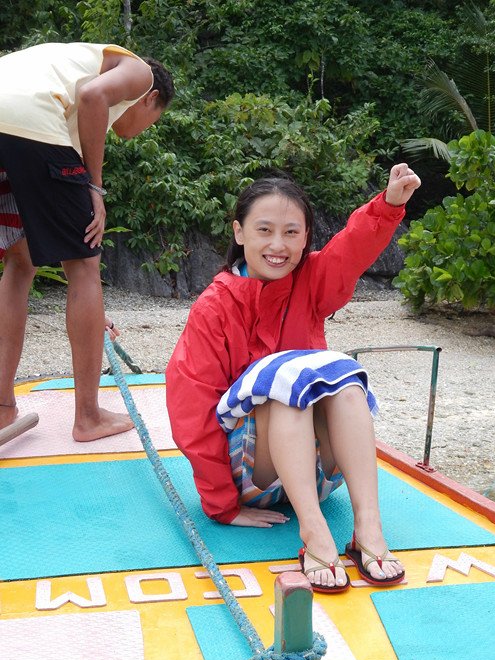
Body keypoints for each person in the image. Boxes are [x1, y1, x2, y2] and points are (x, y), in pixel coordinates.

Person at [166, 164, 421, 593]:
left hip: (318, 477)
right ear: (239, 232)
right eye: (264, 230)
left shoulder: (312, 280)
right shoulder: (214, 307)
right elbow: (191, 407)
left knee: (344, 383)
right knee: (283, 388)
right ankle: (315, 535)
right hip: (253, 478)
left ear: (305, 238)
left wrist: (389, 204)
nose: (278, 245)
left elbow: (351, 251)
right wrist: (223, 505)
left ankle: (368, 530)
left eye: (291, 233)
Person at [0, 42, 174, 441]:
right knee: (84, 265)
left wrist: (95, 317)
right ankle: (89, 417)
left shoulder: (68, 78)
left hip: (12, 118)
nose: (141, 130)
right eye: (153, 120)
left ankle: (3, 408)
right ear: (150, 99)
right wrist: (95, 186)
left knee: (20, 261)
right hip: (30, 119)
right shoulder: (140, 71)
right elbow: (94, 95)